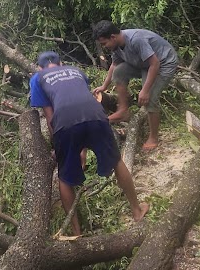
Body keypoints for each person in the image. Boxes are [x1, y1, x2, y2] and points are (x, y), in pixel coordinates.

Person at [29, 51, 149, 236]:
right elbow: (80, 101)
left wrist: (60, 147)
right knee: (117, 162)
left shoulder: (37, 78)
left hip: (65, 123)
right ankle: (136, 211)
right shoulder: (76, 71)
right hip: (96, 116)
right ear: (61, 63)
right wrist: (82, 149)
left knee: (64, 178)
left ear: (39, 67)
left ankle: (76, 231)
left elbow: (50, 115)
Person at [92, 20, 178, 152]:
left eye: (104, 43)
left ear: (113, 37)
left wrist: (145, 91)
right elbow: (114, 66)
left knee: (150, 98)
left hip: (163, 63)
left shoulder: (136, 40)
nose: (104, 46)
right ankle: (123, 111)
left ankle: (153, 137)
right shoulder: (116, 46)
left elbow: (155, 64)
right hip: (143, 64)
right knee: (119, 71)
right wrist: (104, 86)